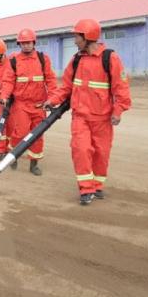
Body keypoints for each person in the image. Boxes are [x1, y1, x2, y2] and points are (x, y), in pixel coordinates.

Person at [45, 19, 131, 205]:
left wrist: (118, 110)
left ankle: (97, 186)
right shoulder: (76, 60)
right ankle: (86, 189)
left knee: (101, 153)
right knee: (81, 150)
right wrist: (52, 100)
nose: (75, 41)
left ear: (88, 37)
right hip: (80, 117)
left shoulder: (110, 58)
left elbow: (121, 89)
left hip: (103, 118)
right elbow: (66, 87)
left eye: (77, 36)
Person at [0, 28, 57, 175]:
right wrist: (5, 96)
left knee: (37, 135)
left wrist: (52, 98)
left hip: (39, 104)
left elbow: (50, 80)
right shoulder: (13, 60)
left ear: (34, 42)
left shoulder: (43, 59)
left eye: (28, 42)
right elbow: (8, 81)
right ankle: (14, 156)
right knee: (20, 133)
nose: (26, 45)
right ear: (19, 44)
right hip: (21, 105)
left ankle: (34, 164)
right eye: (23, 43)